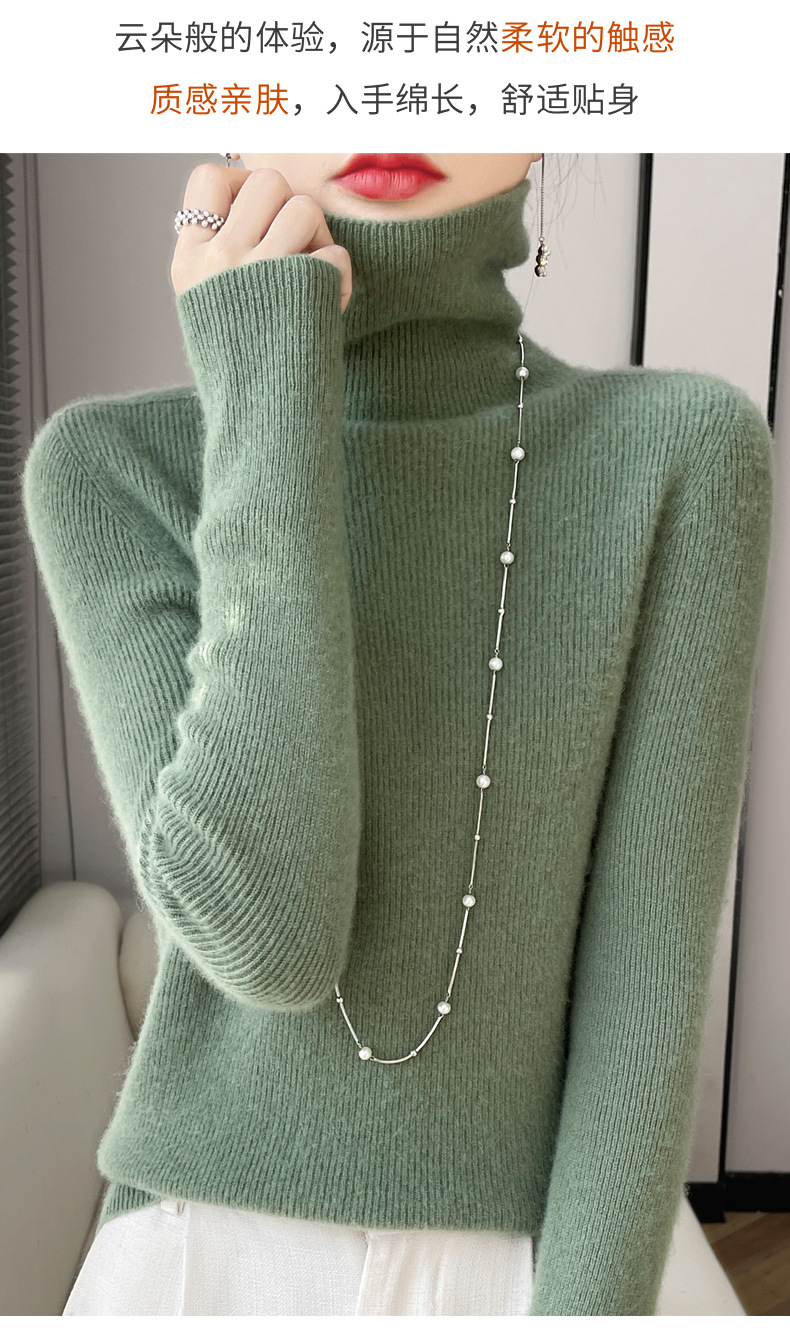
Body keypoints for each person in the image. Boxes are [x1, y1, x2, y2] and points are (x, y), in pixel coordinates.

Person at [21, 152, 773, 1316]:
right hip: (199, 1256)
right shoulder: (108, 471)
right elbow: (267, 940)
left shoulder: (682, 455)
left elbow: (644, 1006)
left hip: (541, 1258)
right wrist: (264, 372)